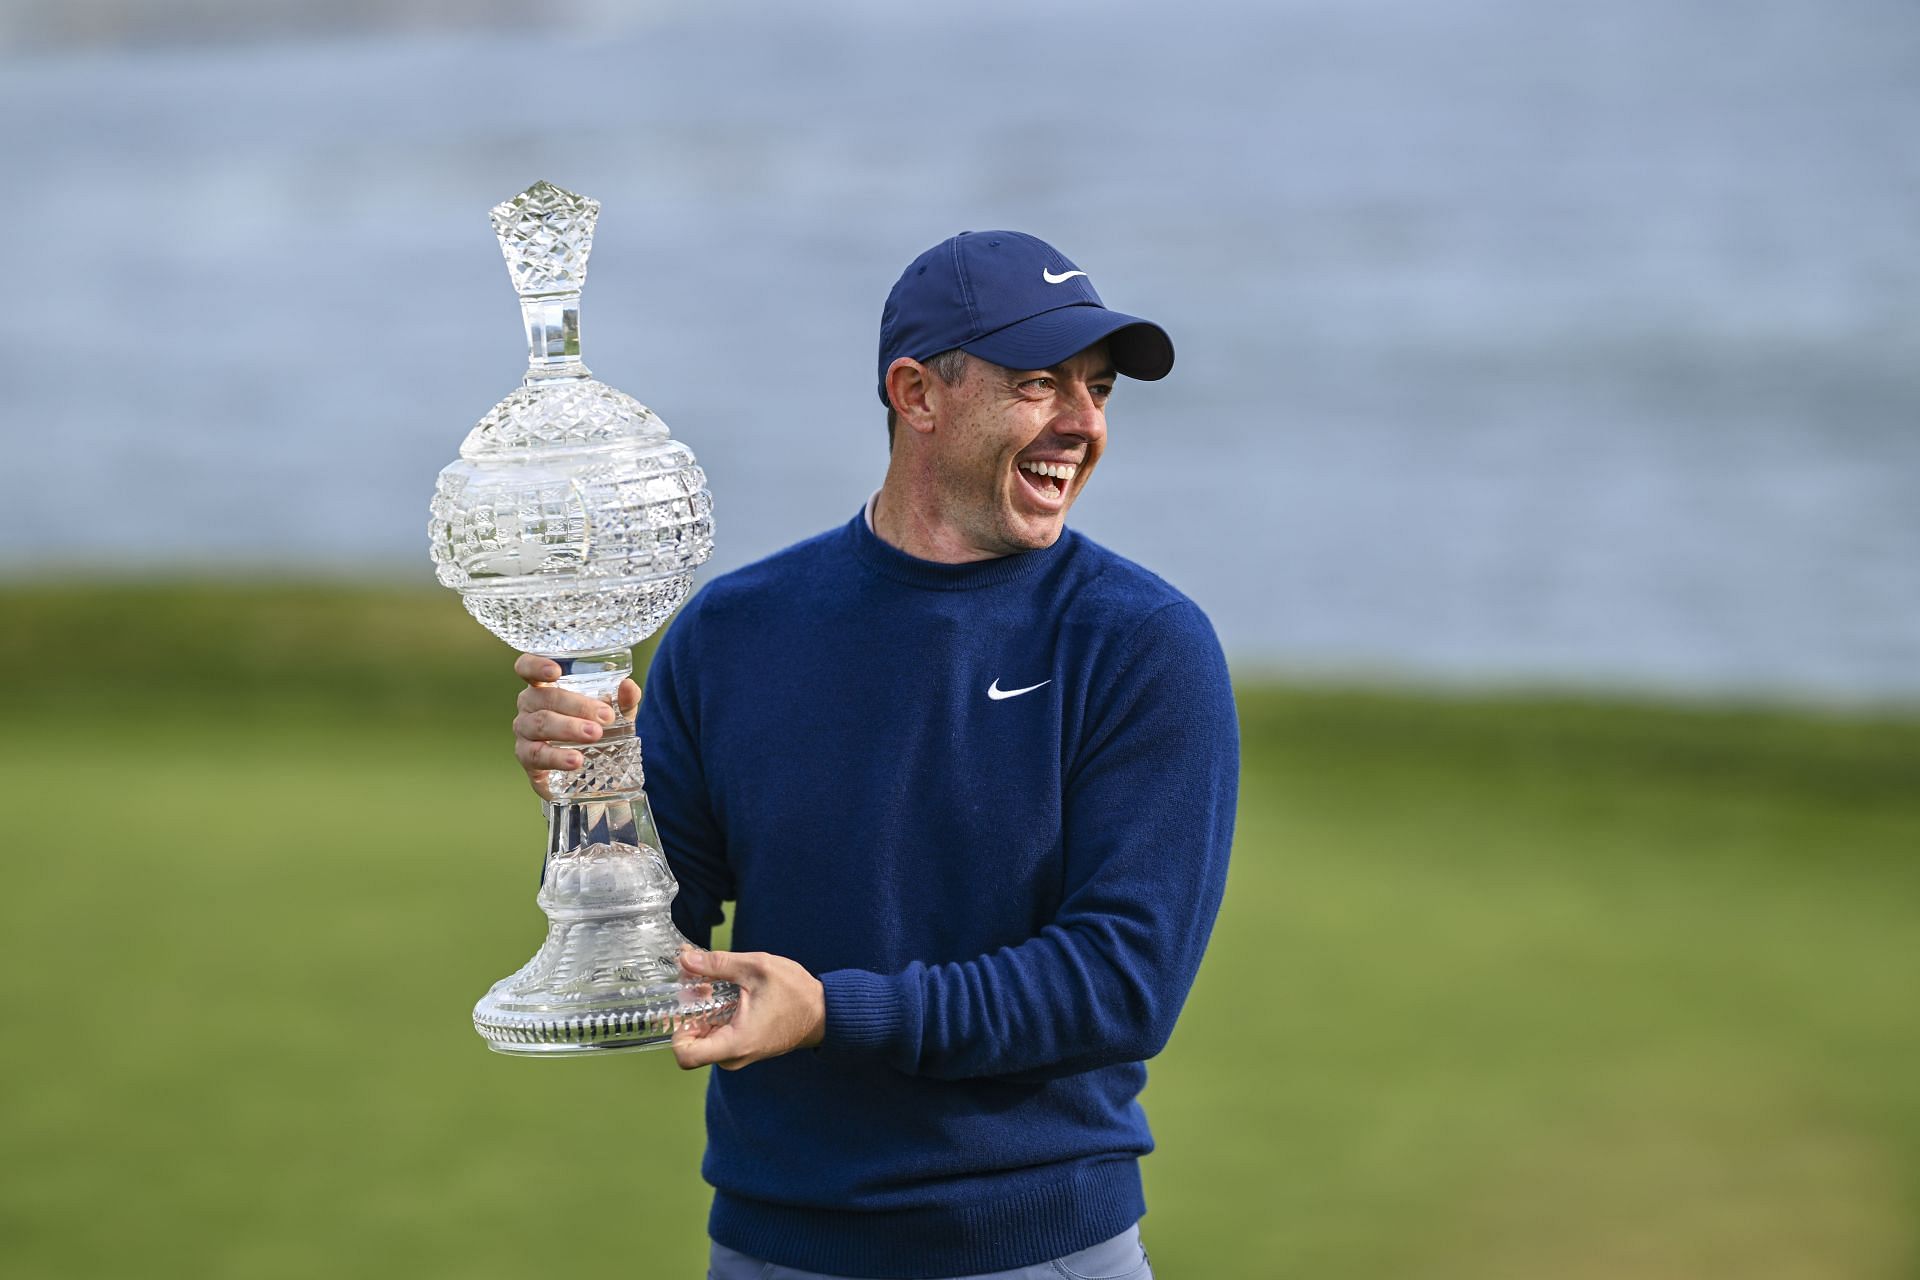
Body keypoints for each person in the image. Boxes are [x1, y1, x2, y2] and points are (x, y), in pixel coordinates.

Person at [511, 231, 1238, 1280]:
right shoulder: (736, 630)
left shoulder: (1142, 643)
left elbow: (1124, 983)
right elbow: (636, 951)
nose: (1082, 424)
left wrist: (831, 1013)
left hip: (1035, 1252)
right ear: (917, 393)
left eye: (1100, 389)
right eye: (1041, 384)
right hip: (772, 1246)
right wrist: (592, 794)